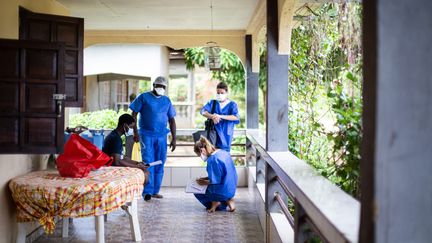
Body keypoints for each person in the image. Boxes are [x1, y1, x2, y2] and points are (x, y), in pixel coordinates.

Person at [129, 76, 177, 201]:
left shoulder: (166, 101)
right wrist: (135, 132)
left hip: (161, 136)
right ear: (154, 85)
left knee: (160, 162)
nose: (161, 88)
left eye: (163, 87)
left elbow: (172, 120)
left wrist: (174, 138)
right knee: (148, 162)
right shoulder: (143, 97)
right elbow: (133, 114)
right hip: (146, 135)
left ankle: (155, 190)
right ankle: (147, 191)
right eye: (158, 86)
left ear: (165, 88)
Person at [193, 136, 238, 213]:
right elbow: (223, 175)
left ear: (202, 150)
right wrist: (205, 178)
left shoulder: (213, 160)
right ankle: (229, 200)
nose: (201, 157)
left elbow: (214, 181)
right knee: (220, 189)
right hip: (231, 189)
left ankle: (215, 203)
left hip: (222, 191)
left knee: (196, 190)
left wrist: (201, 182)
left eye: (199, 155)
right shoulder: (223, 152)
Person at [102, 114, 149, 183]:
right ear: (125, 125)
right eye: (131, 127)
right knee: (144, 173)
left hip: (113, 166)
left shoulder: (115, 136)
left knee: (143, 171)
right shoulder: (115, 139)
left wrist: (137, 163)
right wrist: (137, 167)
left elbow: (121, 157)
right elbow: (117, 162)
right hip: (111, 168)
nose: (131, 130)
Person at [200, 82, 240, 152]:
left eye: (222, 93)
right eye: (218, 93)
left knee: (223, 158)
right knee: (212, 156)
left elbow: (236, 117)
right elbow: (203, 111)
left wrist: (219, 116)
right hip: (212, 136)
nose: (219, 95)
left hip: (226, 136)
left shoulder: (232, 105)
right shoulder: (213, 103)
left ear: (226, 92)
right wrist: (212, 116)